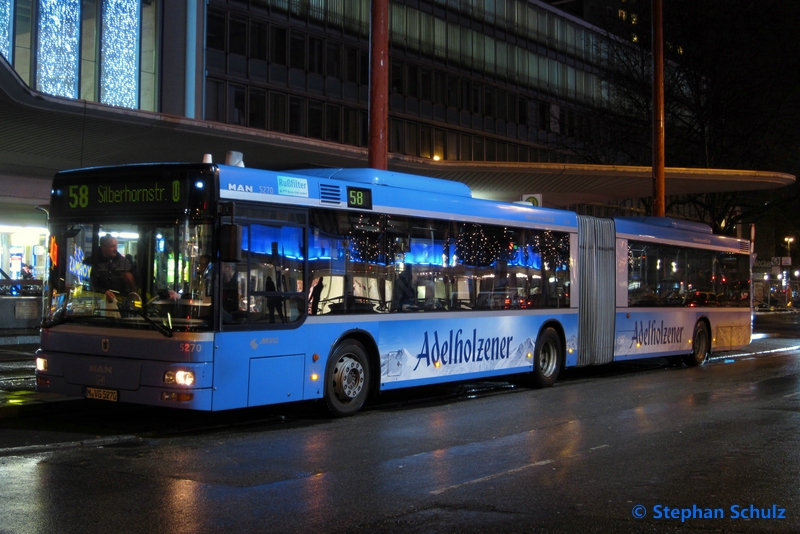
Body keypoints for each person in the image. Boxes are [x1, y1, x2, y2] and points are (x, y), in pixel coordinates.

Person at [91, 235, 139, 303]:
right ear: (103, 247)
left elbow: (135, 287)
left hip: (121, 303)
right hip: (99, 302)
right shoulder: (93, 262)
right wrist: (103, 292)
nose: (116, 249)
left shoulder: (125, 263)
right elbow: (88, 284)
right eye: (112, 246)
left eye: (116, 246)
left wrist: (132, 282)